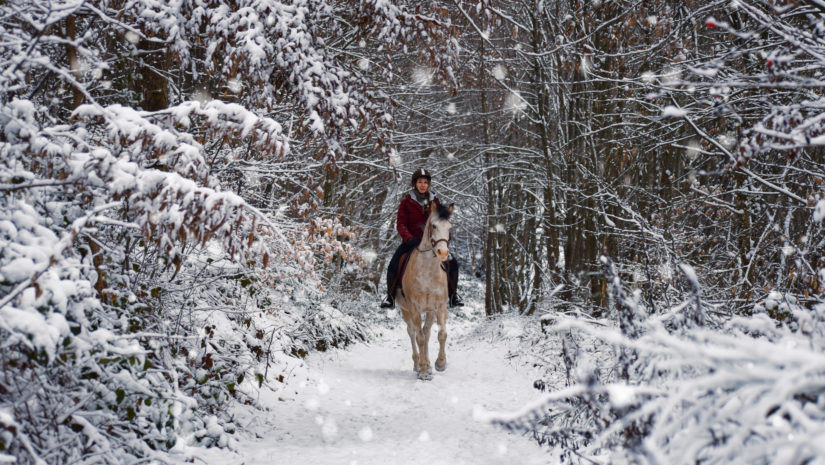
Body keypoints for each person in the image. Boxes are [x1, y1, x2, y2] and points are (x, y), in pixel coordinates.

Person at [380, 168, 464, 308]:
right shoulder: (406, 202)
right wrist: (409, 237)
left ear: (429, 184)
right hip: (411, 242)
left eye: (425, 182)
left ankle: (453, 295)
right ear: (415, 183)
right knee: (394, 263)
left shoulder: (435, 201)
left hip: (432, 243)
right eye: (420, 182)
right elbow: (401, 224)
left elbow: (442, 220)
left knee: (452, 262)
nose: (423, 185)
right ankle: (390, 297)